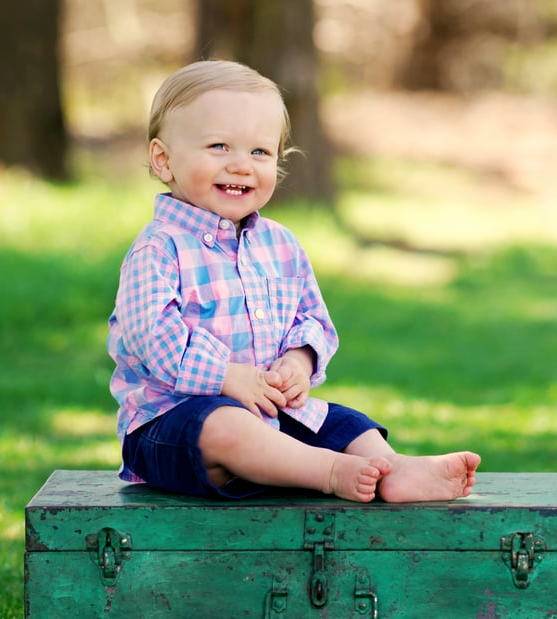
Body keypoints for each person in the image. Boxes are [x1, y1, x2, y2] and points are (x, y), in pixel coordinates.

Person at [107, 60, 480, 502]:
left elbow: (311, 319)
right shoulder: (159, 249)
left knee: (345, 422)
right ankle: (330, 472)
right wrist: (226, 377)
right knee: (225, 426)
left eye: (259, 152)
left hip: (269, 412)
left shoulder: (280, 245)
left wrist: (298, 363)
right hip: (171, 426)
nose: (241, 165)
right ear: (163, 160)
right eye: (219, 146)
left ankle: (393, 468)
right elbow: (153, 339)